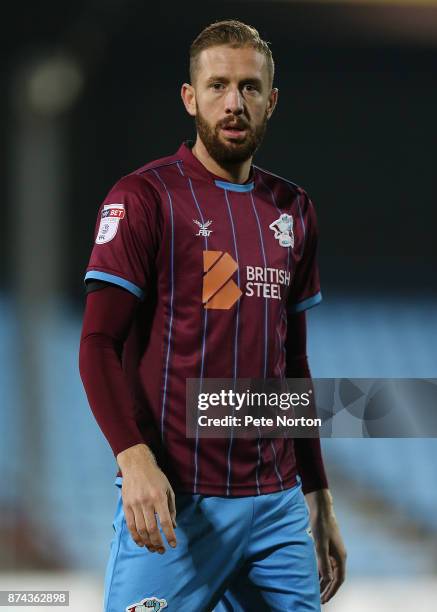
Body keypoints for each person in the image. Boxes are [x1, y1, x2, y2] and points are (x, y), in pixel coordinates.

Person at [79, 19, 347, 612]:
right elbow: (97, 342)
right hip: (177, 504)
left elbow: (292, 363)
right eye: (218, 85)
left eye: (250, 88)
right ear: (189, 96)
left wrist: (319, 494)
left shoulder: (293, 210)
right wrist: (133, 458)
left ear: (271, 101)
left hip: (276, 509)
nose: (234, 102)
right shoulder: (144, 198)